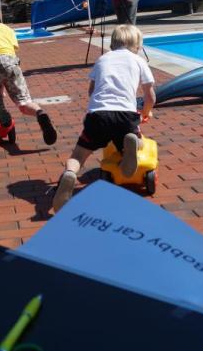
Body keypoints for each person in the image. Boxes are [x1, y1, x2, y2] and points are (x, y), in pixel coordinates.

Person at [52, 24, 155, 213]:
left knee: (78, 155)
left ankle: (70, 173)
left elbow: (91, 91)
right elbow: (150, 96)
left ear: (112, 44)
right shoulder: (138, 61)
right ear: (138, 46)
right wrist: (146, 112)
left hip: (97, 115)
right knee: (138, 140)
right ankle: (131, 143)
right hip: (125, 115)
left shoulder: (102, 59)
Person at [0, 2, 57, 146]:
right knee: (24, 103)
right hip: (11, 63)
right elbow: (7, 57)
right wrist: (6, 83)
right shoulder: (7, 29)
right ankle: (40, 113)